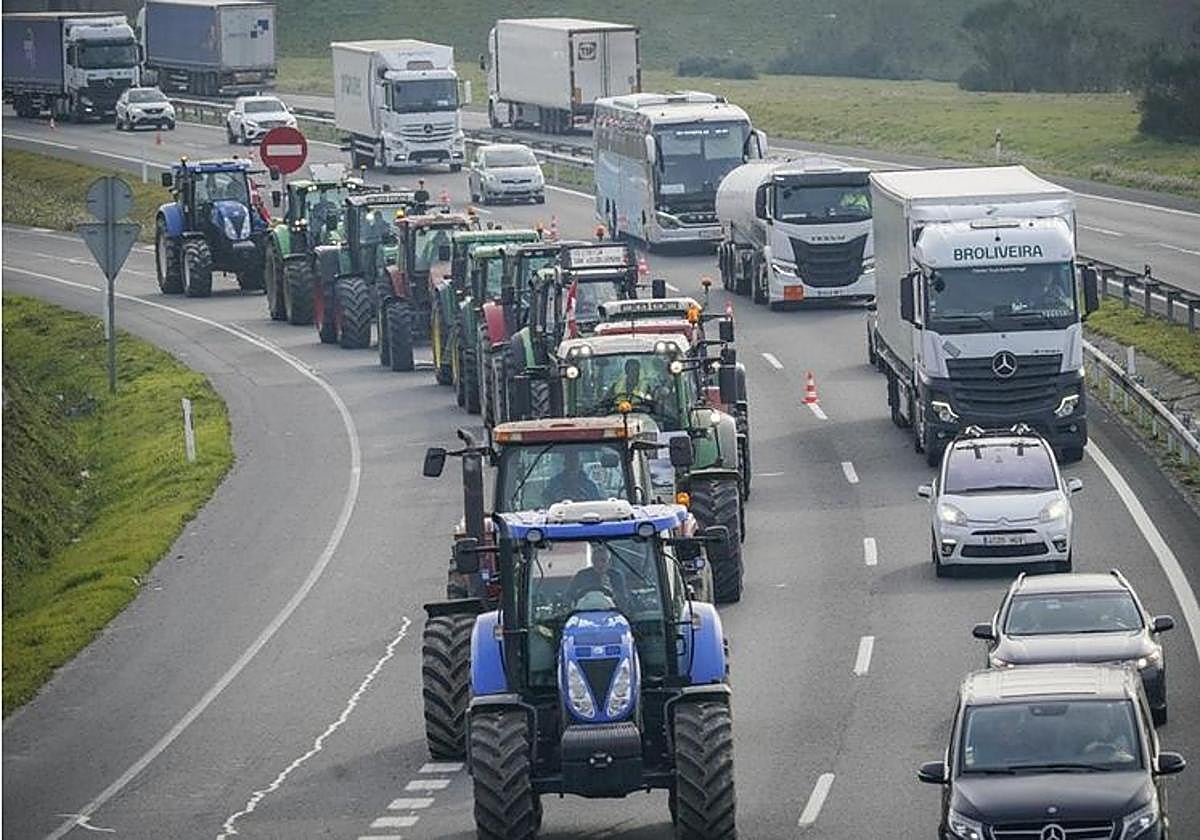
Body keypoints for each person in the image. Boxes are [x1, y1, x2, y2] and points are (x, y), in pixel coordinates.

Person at [568, 542, 630, 611]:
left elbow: (624, 602)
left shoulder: (616, 576)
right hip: (585, 611)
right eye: (596, 560)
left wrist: (611, 590)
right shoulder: (582, 575)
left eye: (603, 560)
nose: (599, 564)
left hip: (610, 613)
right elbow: (569, 596)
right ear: (592, 561)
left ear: (609, 562)